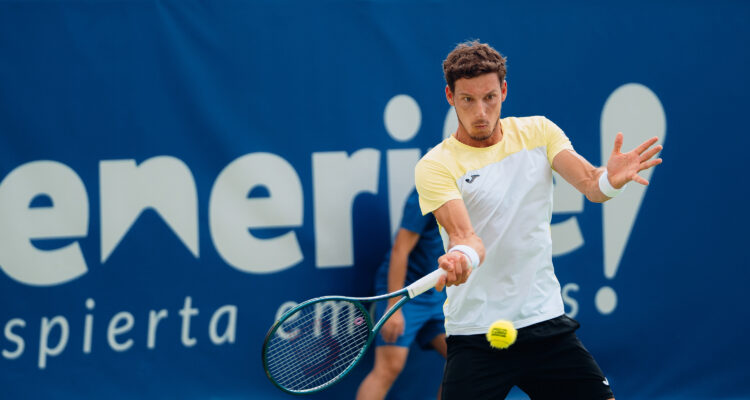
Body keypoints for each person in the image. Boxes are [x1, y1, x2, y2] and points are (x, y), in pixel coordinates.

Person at [415, 40, 663, 400]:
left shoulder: (539, 132)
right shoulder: (436, 165)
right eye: (468, 99)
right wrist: (461, 256)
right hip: (475, 334)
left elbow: (592, 185)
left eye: (489, 97)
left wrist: (611, 180)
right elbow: (466, 236)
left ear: (503, 91)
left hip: (544, 323)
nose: (481, 111)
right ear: (450, 97)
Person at [356, 188, 448, 400]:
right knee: (389, 367)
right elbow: (400, 249)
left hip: (436, 291)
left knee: (462, 362)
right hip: (405, 291)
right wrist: (394, 307)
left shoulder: (472, 185)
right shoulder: (430, 187)